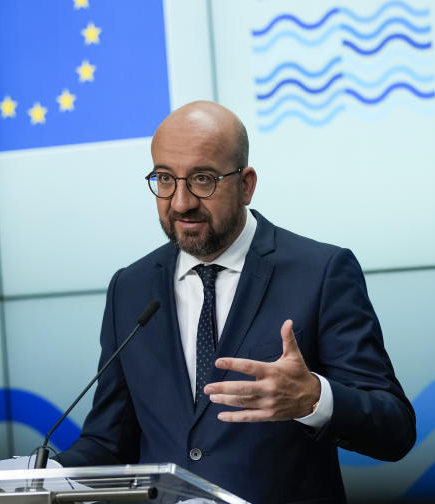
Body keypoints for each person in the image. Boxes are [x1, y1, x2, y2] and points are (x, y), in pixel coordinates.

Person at [56, 101, 415, 504]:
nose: (180, 202)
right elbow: (109, 440)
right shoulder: (130, 287)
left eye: (203, 179)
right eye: (164, 179)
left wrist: (314, 397)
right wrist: (40, 479)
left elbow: (394, 428)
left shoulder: (322, 272)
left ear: (246, 184)